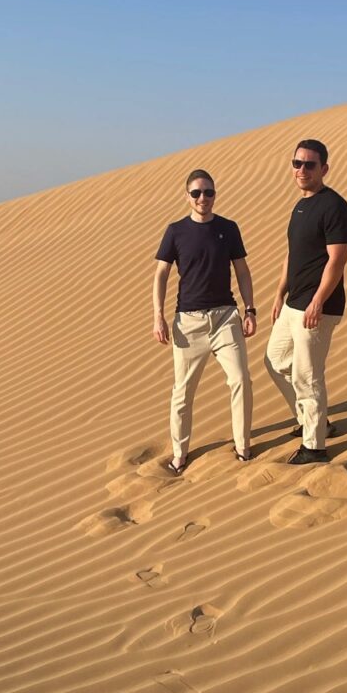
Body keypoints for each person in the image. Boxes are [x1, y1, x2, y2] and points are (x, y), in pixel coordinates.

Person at [153, 169, 256, 474]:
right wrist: (157, 316)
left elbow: (242, 271)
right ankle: (179, 454)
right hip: (189, 322)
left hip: (226, 318)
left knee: (240, 380)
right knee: (183, 391)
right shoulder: (175, 231)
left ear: (215, 195)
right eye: (196, 193)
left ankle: (243, 447)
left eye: (208, 192)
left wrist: (250, 310)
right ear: (187, 196)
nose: (203, 198)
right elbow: (160, 274)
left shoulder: (228, 228)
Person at [265, 139, 347, 464]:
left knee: (307, 375)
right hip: (293, 302)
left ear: (324, 169)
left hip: (317, 306)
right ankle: (311, 419)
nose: (302, 170)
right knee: (275, 362)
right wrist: (279, 293)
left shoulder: (334, 206)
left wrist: (318, 301)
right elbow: (294, 254)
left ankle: (314, 446)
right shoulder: (301, 206)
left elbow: (337, 260)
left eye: (309, 164)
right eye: (297, 163)